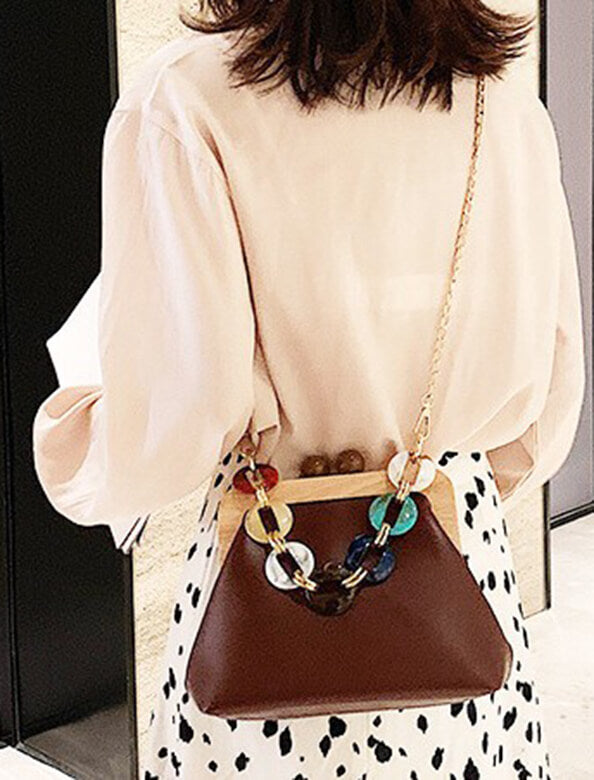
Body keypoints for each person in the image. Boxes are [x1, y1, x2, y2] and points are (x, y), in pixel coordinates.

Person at [32, 1, 586, 777]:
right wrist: (442, 485)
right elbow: (548, 389)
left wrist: (73, 449)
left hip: (274, 564)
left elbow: (177, 418)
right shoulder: (502, 101)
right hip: (454, 561)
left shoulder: (185, 100)